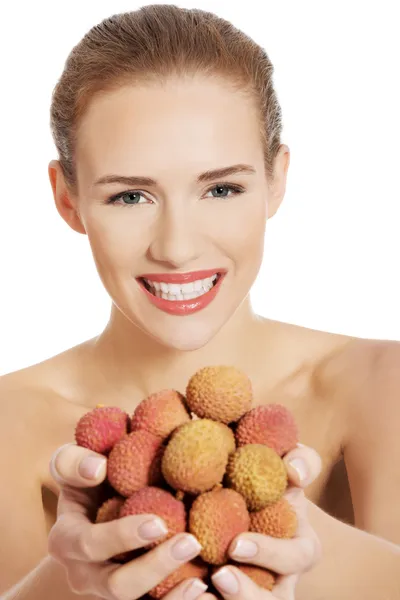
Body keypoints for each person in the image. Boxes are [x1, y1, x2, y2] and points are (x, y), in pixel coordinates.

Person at [1, 4, 399, 599]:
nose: (178, 248)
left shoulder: (380, 382)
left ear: (276, 180)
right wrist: (72, 573)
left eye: (221, 188)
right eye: (131, 196)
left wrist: (296, 534)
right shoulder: (9, 422)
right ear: (67, 200)